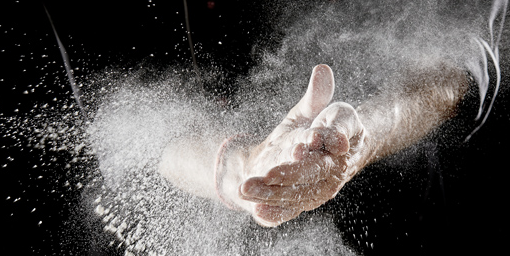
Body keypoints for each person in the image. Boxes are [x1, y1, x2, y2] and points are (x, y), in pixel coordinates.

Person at [160, 62, 469, 227]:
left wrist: (361, 136)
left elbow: (453, 75)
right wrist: (243, 170)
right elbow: (156, 144)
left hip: (406, 244)